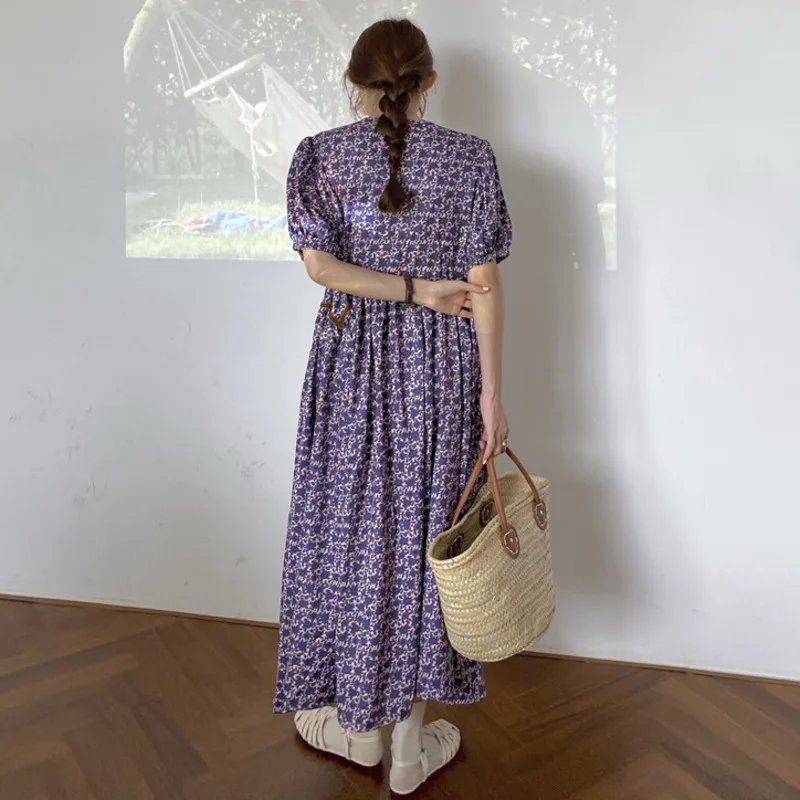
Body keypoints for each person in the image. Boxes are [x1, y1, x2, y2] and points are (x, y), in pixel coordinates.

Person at [272, 18, 512, 794]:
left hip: (349, 368)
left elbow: (320, 267)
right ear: (429, 82)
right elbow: (484, 287)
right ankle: (407, 749)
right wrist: (491, 396)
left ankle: (359, 731)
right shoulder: (471, 159)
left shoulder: (320, 155)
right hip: (441, 370)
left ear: (356, 82)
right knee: (423, 540)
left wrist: (403, 289)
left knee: (352, 539)